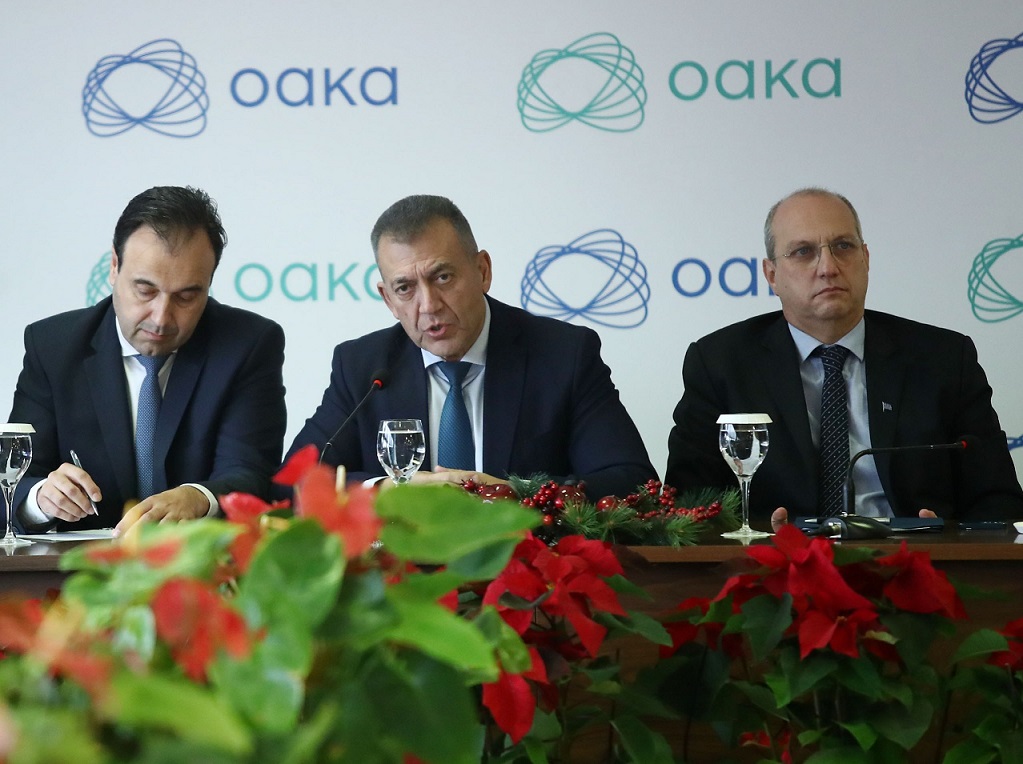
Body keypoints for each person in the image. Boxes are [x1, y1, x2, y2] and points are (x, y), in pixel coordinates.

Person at [665, 187, 1023, 524]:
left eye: (843, 246)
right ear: (771, 275)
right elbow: (689, 505)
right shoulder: (720, 364)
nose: (828, 267)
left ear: (865, 259)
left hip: (912, 557)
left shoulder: (943, 358)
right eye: (803, 252)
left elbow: (998, 498)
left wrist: (949, 541)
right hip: (778, 561)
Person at [287, 194, 655, 500]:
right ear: (388, 299)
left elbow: (631, 482)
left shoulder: (563, 354)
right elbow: (294, 481)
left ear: (482, 271)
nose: (428, 305)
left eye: (443, 277)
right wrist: (389, 490)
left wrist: (515, 494)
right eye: (405, 288)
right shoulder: (362, 366)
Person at [9, 186, 287, 536]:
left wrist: (199, 497)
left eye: (186, 296)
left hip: (201, 559)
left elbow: (251, 473)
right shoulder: (54, 347)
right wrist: (40, 498)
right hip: (82, 563)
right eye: (145, 290)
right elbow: (14, 478)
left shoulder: (247, 345)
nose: (161, 317)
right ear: (114, 267)